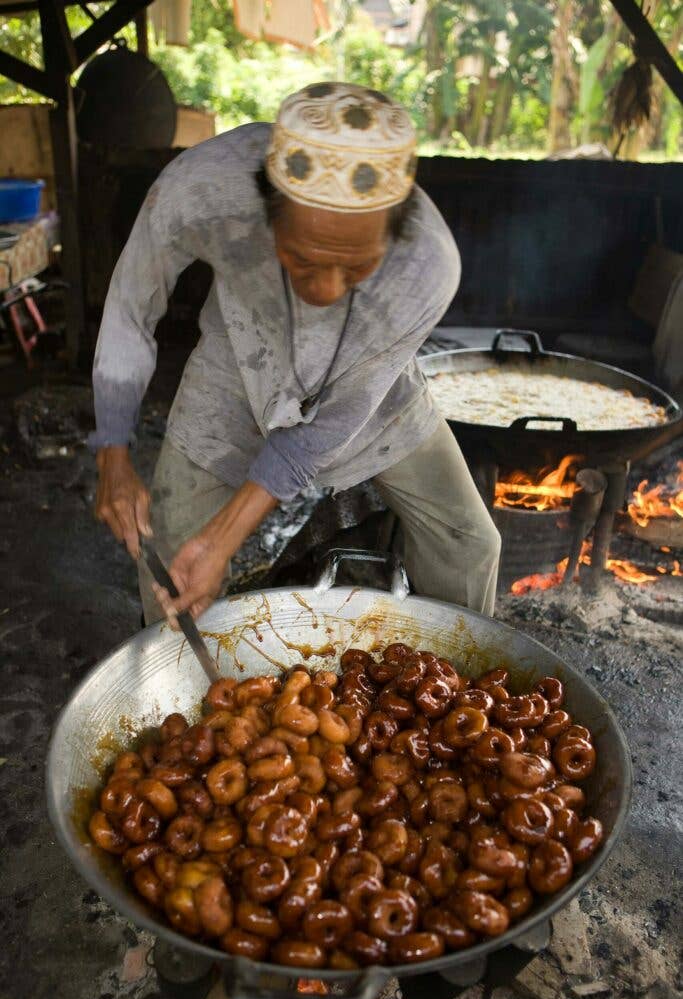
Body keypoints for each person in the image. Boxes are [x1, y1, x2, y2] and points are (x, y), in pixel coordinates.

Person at [91, 82, 500, 626]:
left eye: (355, 269)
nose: (328, 288)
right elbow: (129, 308)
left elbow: (326, 426)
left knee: (469, 543)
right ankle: (180, 685)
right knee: (171, 559)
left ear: (391, 234)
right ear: (269, 211)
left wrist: (226, 537)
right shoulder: (201, 191)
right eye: (304, 260)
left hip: (369, 397)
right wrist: (113, 454)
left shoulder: (426, 266)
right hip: (236, 364)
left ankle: (459, 676)